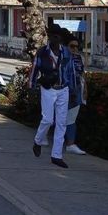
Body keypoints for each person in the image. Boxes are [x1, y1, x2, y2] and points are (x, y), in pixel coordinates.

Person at [30, 23, 76, 169]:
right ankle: (38, 141)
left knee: (61, 123)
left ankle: (57, 156)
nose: (53, 39)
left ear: (60, 38)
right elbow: (35, 69)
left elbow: (71, 71)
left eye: (56, 36)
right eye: (51, 36)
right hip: (48, 89)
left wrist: (72, 89)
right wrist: (31, 86)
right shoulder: (42, 52)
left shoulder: (66, 53)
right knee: (48, 119)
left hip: (63, 89)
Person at [65, 36, 87, 156]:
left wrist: (85, 89)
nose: (74, 49)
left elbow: (82, 74)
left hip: (76, 90)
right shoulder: (61, 57)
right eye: (72, 46)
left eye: (76, 46)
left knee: (71, 118)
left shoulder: (79, 58)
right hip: (62, 91)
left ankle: (70, 144)